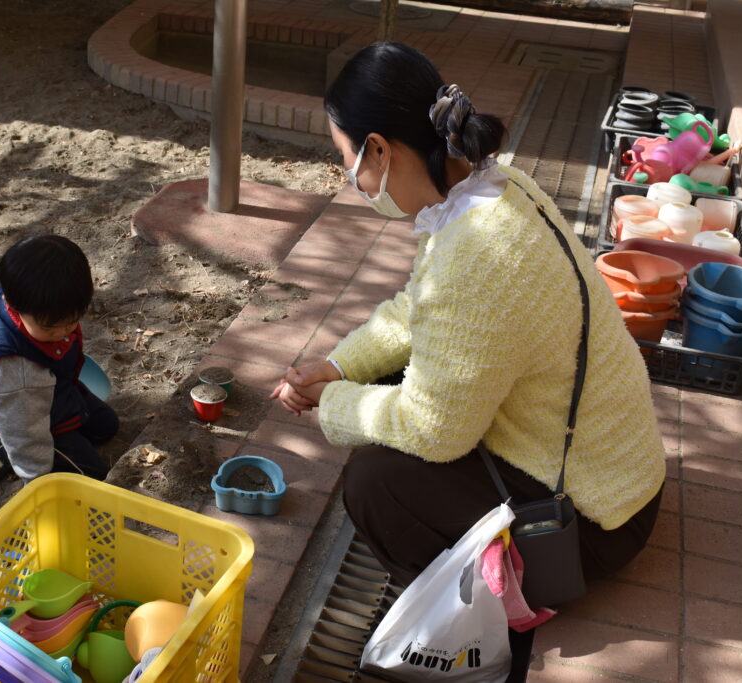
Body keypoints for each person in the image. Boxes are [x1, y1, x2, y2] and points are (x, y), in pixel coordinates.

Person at [271, 42, 665, 589]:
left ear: (378, 150)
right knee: (391, 375)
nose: (352, 180)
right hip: (615, 470)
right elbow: (420, 308)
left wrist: (331, 400)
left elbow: (433, 431)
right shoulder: (496, 187)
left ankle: (481, 606)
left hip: (591, 520)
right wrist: (339, 366)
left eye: (347, 161)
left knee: (375, 482)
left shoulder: (473, 255)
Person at [0, 234, 118, 495]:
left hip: (54, 392)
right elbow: (25, 435)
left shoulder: (27, 296)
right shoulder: (21, 372)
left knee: (107, 426)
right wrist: (37, 481)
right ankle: (1, 444)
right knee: (92, 476)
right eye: (50, 327)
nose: (61, 333)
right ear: (15, 304)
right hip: (25, 421)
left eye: (70, 322)